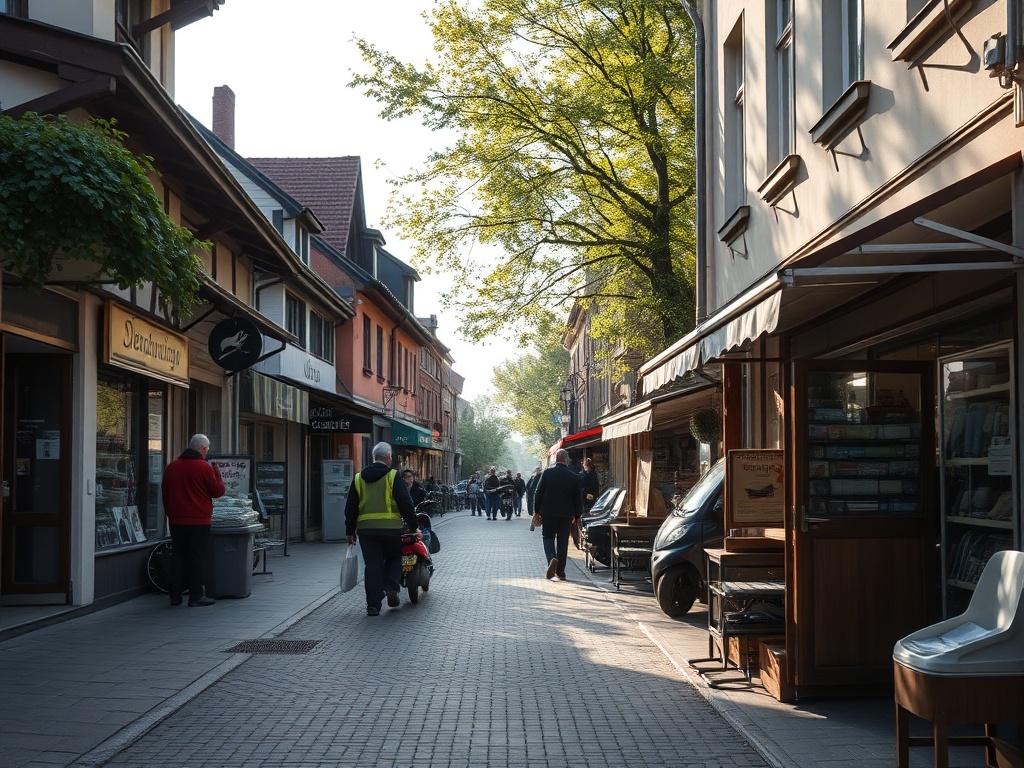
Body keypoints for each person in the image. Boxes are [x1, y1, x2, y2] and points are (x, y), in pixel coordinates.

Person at [345, 442, 419, 616]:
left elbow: (350, 507)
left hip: (366, 531)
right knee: (394, 557)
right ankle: (391, 585)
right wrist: (414, 526)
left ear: (374, 458)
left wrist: (350, 531)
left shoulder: (358, 478)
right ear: (387, 458)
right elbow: (406, 503)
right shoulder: (393, 476)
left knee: (372, 566)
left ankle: (373, 605)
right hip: (391, 529)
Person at [161, 433, 225, 607]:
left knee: (178, 556)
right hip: (199, 520)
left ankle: (175, 595)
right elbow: (218, 491)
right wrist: (218, 475)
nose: (207, 452)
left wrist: (170, 514)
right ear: (202, 448)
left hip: (176, 520)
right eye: (207, 449)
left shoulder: (172, 467)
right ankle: (196, 595)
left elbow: (165, 494)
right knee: (197, 557)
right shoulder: (204, 468)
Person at [534, 449, 583, 581]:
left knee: (548, 537)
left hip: (548, 512)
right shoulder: (573, 476)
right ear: (566, 460)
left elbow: (538, 492)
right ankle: (561, 572)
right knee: (562, 542)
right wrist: (578, 515)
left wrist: (537, 510)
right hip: (566, 514)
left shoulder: (548, 472)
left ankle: (551, 559)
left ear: (555, 459)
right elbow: (577, 498)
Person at [525, 466, 542, 531]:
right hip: (532, 495)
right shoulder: (533, 477)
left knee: (537, 510)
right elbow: (528, 486)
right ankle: (533, 525)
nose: (537, 472)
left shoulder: (541, 477)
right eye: (536, 470)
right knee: (535, 510)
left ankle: (533, 525)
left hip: (537, 495)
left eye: (538, 470)